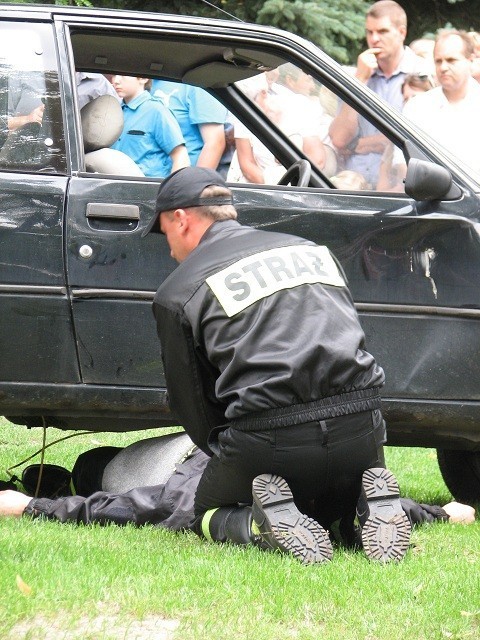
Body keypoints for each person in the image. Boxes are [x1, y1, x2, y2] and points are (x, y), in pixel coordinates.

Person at [141, 165, 428, 565]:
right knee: (326, 506)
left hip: (270, 440)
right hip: (362, 429)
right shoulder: (313, 251)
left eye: (165, 233)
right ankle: (360, 509)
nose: (169, 249)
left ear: (181, 219)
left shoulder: (178, 290)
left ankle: (255, 526)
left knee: (199, 513)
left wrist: (227, 451)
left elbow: (193, 403)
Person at [0, 431, 475, 538]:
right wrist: (446, 511)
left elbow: (128, 504)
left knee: (177, 511)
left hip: (197, 466)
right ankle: (365, 509)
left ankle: (252, 524)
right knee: (315, 496)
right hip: (262, 447)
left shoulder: (100, 468)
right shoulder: (138, 456)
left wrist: (33, 507)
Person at [329, 0, 428, 188]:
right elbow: (340, 139)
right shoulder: (358, 74)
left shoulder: (421, 73)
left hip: (401, 186)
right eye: (370, 32)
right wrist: (358, 82)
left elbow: (417, 139)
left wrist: (359, 145)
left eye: (382, 32)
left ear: (402, 33)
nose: (374, 39)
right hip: (353, 183)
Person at [402, 30, 480, 177]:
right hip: (429, 196)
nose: (443, 67)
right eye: (438, 61)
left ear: (470, 61)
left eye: (451, 60)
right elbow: (402, 161)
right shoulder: (417, 107)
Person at [111, 75, 189, 178]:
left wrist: (170, 191)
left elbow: (181, 156)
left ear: (143, 78)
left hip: (149, 188)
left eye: (122, 75)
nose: (116, 81)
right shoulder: (113, 112)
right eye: (114, 75)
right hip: (114, 187)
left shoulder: (156, 110)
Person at [151, 80, 227, 171]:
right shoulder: (143, 82)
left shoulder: (197, 84)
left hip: (183, 177)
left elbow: (215, 143)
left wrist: (196, 183)